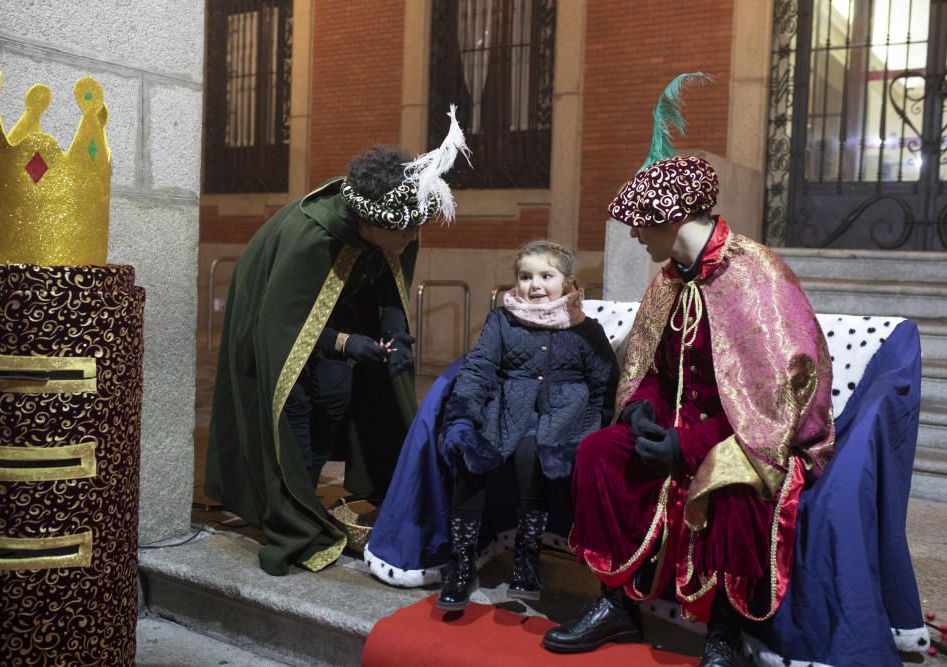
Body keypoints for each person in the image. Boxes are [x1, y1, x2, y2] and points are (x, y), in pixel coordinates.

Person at [541, 76, 834, 667]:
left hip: (746, 439)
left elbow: (778, 400)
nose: (631, 234)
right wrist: (643, 408)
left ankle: (724, 630)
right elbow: (651, 364)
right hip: (672, 426)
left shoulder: (757, 278)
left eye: (638, 223)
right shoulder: (671, 279)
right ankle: (616, 603)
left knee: (734, 485)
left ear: (670, 220)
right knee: (600, 451)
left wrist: (687, 445)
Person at [205, 109, 469, 576]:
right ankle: (294, 513)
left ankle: (316, 499)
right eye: (404, 231)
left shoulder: (395, 227)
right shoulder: (313, 237)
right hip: (283, 338)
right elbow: (281, 326)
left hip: (335, 335)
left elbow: (388, 285)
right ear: (368, 223)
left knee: (336, 398)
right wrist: (348, 344)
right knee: (296, 417)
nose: (412, 238)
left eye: (416, 229)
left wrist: (393, 332)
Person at [432, 240, 619, 610]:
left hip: (564, 415)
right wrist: (463, 415)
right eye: (525, 276)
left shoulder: (587, 329)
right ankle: (462, 560)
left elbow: (604, 382)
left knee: (532, 456)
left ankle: (528, 557)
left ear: (567, 282)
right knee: (472, 456)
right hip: (507, 410)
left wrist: (599, 428)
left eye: (546, 276)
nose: (535, 285)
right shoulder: (501, 320)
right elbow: (480, 367)